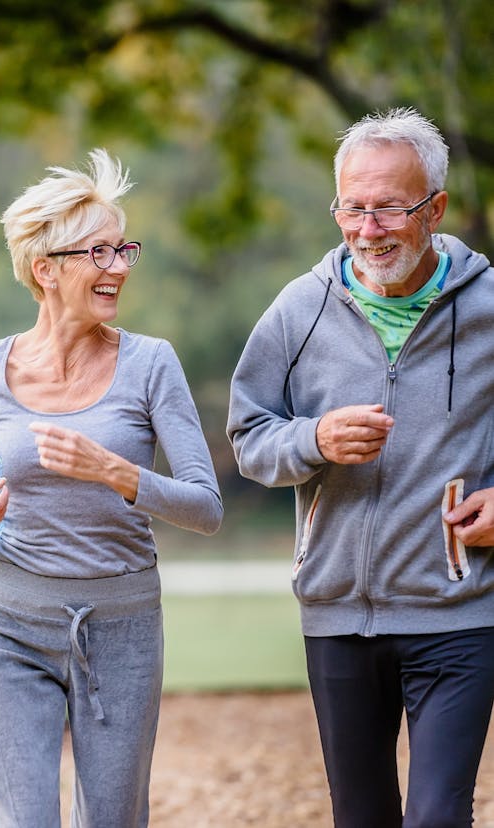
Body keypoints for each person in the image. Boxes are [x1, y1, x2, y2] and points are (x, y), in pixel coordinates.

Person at [0, 148, 223, 828]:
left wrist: (115, 472)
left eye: (124, 249)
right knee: (19, 819)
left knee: (113, 820)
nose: (119, 266)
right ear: (46, 269)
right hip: (9, 621)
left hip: (121, 624)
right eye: (99, 252)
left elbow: (207, 507)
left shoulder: (151, 365)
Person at [227, 107, 494, 827]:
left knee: (438, 817)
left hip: (459, 610)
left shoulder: (490, 307)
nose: (367, 229)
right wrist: (312, 439)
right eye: (353, 208)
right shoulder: (298, 311)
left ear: (434, 208)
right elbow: (249, 437)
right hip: (337, 615)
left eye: (389, 209)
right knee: (362, 817)